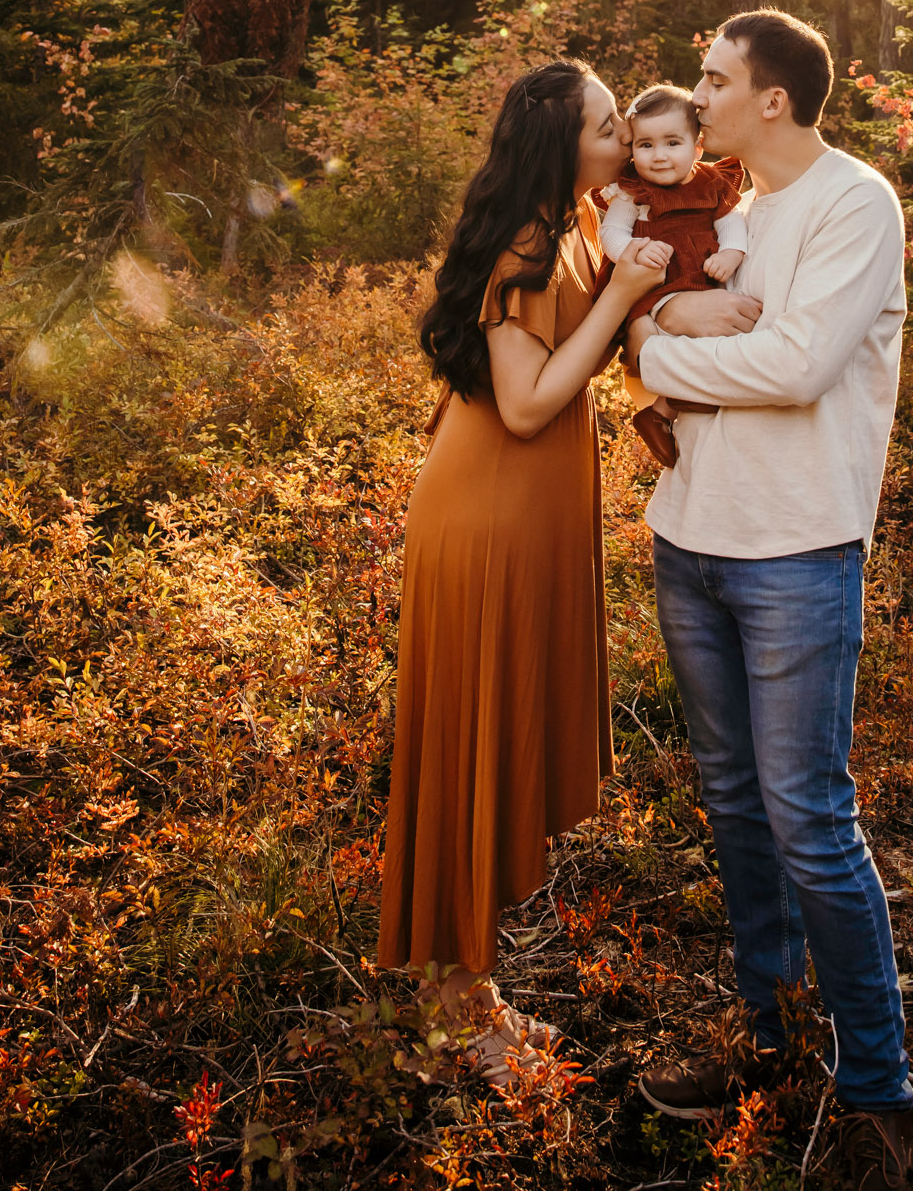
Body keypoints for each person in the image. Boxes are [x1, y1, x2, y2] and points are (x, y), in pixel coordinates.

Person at [625, 10, 913, 1191]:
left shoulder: (854, 205)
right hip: (687, 542)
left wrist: (654, 352)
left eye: (711, 80)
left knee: (808, 818)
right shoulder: (729, 213)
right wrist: (656, 328)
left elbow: (796, 369)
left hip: (797, 551)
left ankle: (878, 1097)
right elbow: (653, 316)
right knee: (735, 809)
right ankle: (768, 1040)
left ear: (773, 99)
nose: (693, 100)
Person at [375, 60, 671, 1081]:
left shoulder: (582, 218)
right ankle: (454, 1016)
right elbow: (528, 404)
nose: (622, 134)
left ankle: (464, 990)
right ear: (561, 142)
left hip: (522, 511)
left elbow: (689, 185)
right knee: (470, 742)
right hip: (487, 514)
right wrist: (622, 292)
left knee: (495, 736)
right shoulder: (527, 242)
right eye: (605, 124)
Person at [595, 82, 747, 470]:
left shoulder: (711, 183)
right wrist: (634, 252)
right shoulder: (633, 192)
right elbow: (611, 233)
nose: (658, 156)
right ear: (633, 150)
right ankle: (660, 407)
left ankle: (660, 413)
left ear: (697, 147)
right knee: (669, 351)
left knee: (711, 357)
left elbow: (730, 223)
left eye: (672, 143)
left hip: (700, 280)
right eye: (645, 145)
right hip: (654, 285)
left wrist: (731, 252)